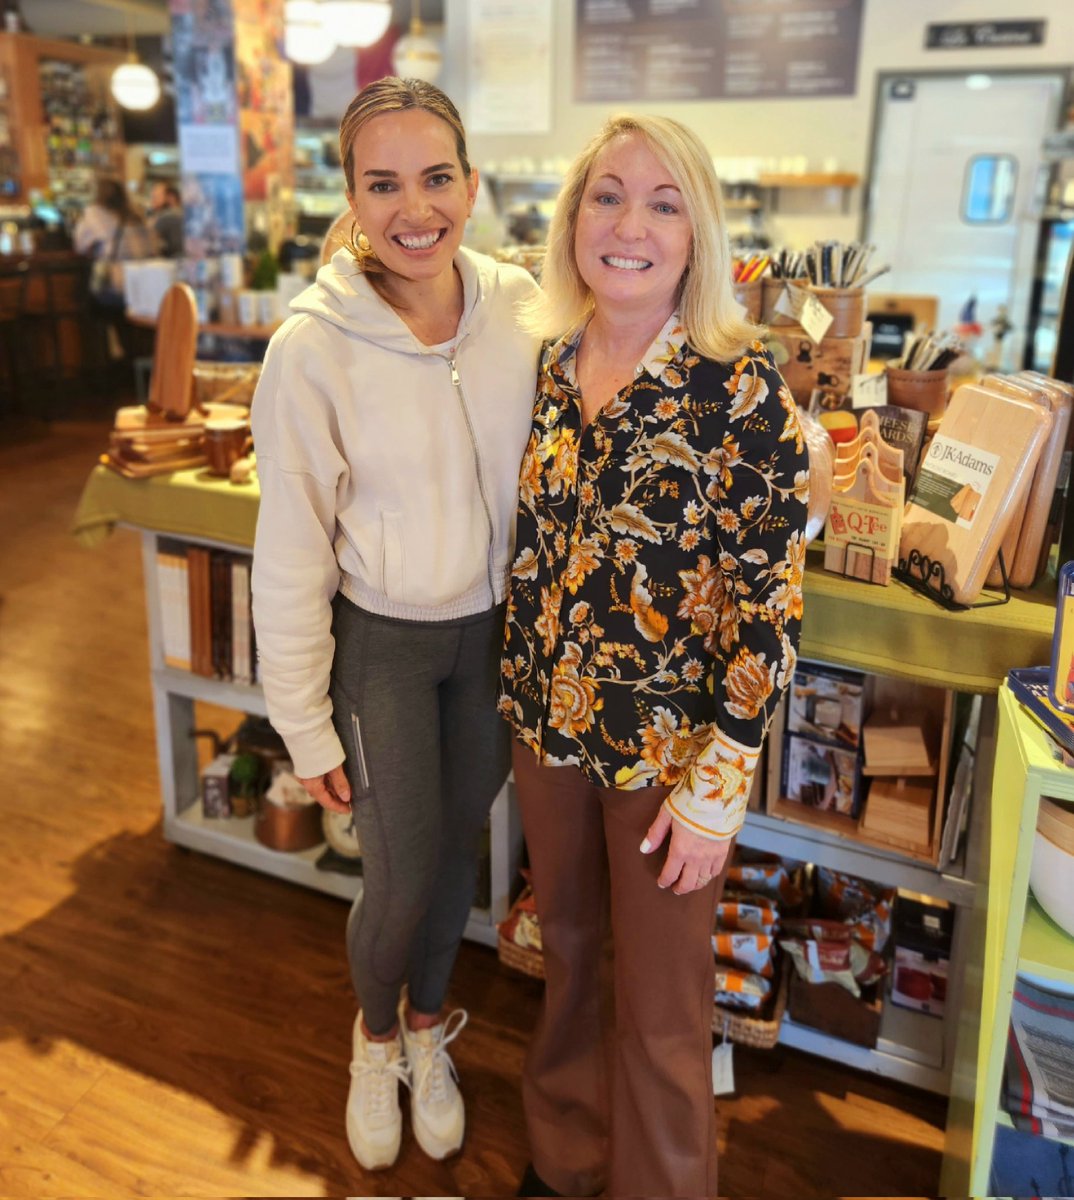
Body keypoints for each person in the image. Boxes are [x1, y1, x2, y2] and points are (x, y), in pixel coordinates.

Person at [498, 113, 809, 1197]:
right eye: (608, 196)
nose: (629, 226)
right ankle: (567, 1163)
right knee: (568, 959)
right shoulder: (551, 360)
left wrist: (720, 784)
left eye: (663, 204)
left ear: (697, 234)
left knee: (666, 1007)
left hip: (669, 761)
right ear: (573, 218)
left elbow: (771, 607)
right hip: (547, 730)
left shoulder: (742, 388)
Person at [249, 77, 542, 1173]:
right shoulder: (311, 348)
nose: (415, 209)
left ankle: (427, 1029)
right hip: (384, 647)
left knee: (454, 858)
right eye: (384, 185)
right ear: (352, 196)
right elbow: (292, 548)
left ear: (473, 184)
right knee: (402, 876)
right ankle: (374, 1042)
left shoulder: (520, 305)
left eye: (436, 178)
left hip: (494, 639)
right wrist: (303, 723)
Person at [73, 177, 154, 268]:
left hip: (114, 270)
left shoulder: (93, 214)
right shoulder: (134, 216)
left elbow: (80, 246)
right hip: (141, 269)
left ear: (98, 195)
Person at [147, 182, 184, 258]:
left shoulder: (168, 216)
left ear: (171, 198)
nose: (153, 200)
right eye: (152, 196)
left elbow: (149, 241)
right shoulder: (183, 212)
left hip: (172, 260)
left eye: (156, 196)